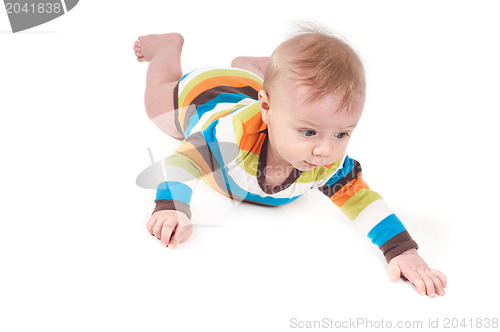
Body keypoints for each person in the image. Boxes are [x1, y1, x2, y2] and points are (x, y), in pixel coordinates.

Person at [133, 27, 447, 297]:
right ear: (266, 109)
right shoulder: (228, 138)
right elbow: (181, 163)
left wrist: (403, 251)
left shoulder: (326, 161)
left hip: (256, 89)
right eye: (309, 131)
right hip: (204, 96)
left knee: (286, 94)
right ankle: (167, 47)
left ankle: (251, 68)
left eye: (342, 134)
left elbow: (363, 201)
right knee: (156, 102)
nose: (325, 149)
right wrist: (172, 206)